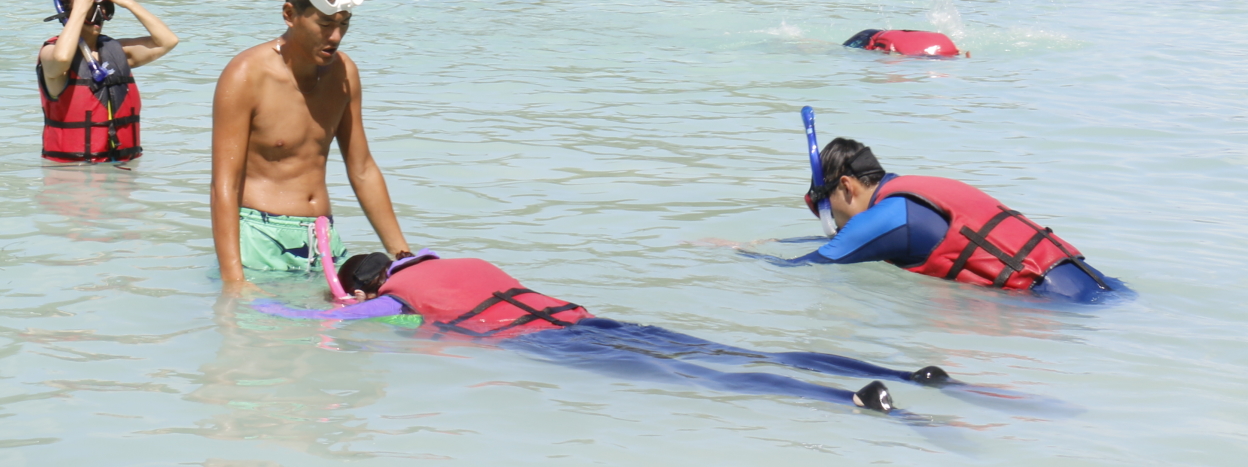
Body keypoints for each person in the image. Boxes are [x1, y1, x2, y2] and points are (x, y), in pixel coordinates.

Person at [256, 250, 947, 412]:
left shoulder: (391, 298)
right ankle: (905, 371)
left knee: (708, 375)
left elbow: (317, 320)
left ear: (375, 283)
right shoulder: (456, 259)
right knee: (727, 351)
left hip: (541, 342)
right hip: (582, 318)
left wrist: (253, 303)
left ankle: (847, 398)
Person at [210, 0, 410, 288]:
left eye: (344, 23)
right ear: (290, 15)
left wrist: (404, 256)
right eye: (325, 23)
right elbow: (223, 185)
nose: (335, 37)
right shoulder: (246, 75)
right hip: (259, 240)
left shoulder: (344, 73)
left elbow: (361, 169)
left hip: (324, 240)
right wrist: (233, 279)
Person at [779, 137, 1117, 300]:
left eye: (827, 211)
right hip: (1093, 280)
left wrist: (739, 252)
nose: (836, 225)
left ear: (846, 187)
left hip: (1060, 304)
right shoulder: (912, 194)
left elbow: (802, 266)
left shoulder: (886, 218)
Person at [37, 0, 179, 163]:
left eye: (105, 6)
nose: (100, 12)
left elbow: (168, 41)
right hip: (71, 176)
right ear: (70, 12)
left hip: (121, 170)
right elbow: (62, 58)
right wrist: (79, 9)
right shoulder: (50, 54)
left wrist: (128, 2)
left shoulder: (116, 51)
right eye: (91, 6)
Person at [844, 29, 964, 58]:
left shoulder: (949, 46)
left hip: (883, 33)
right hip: (867, 37)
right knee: (838, 50)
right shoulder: (947, 49)